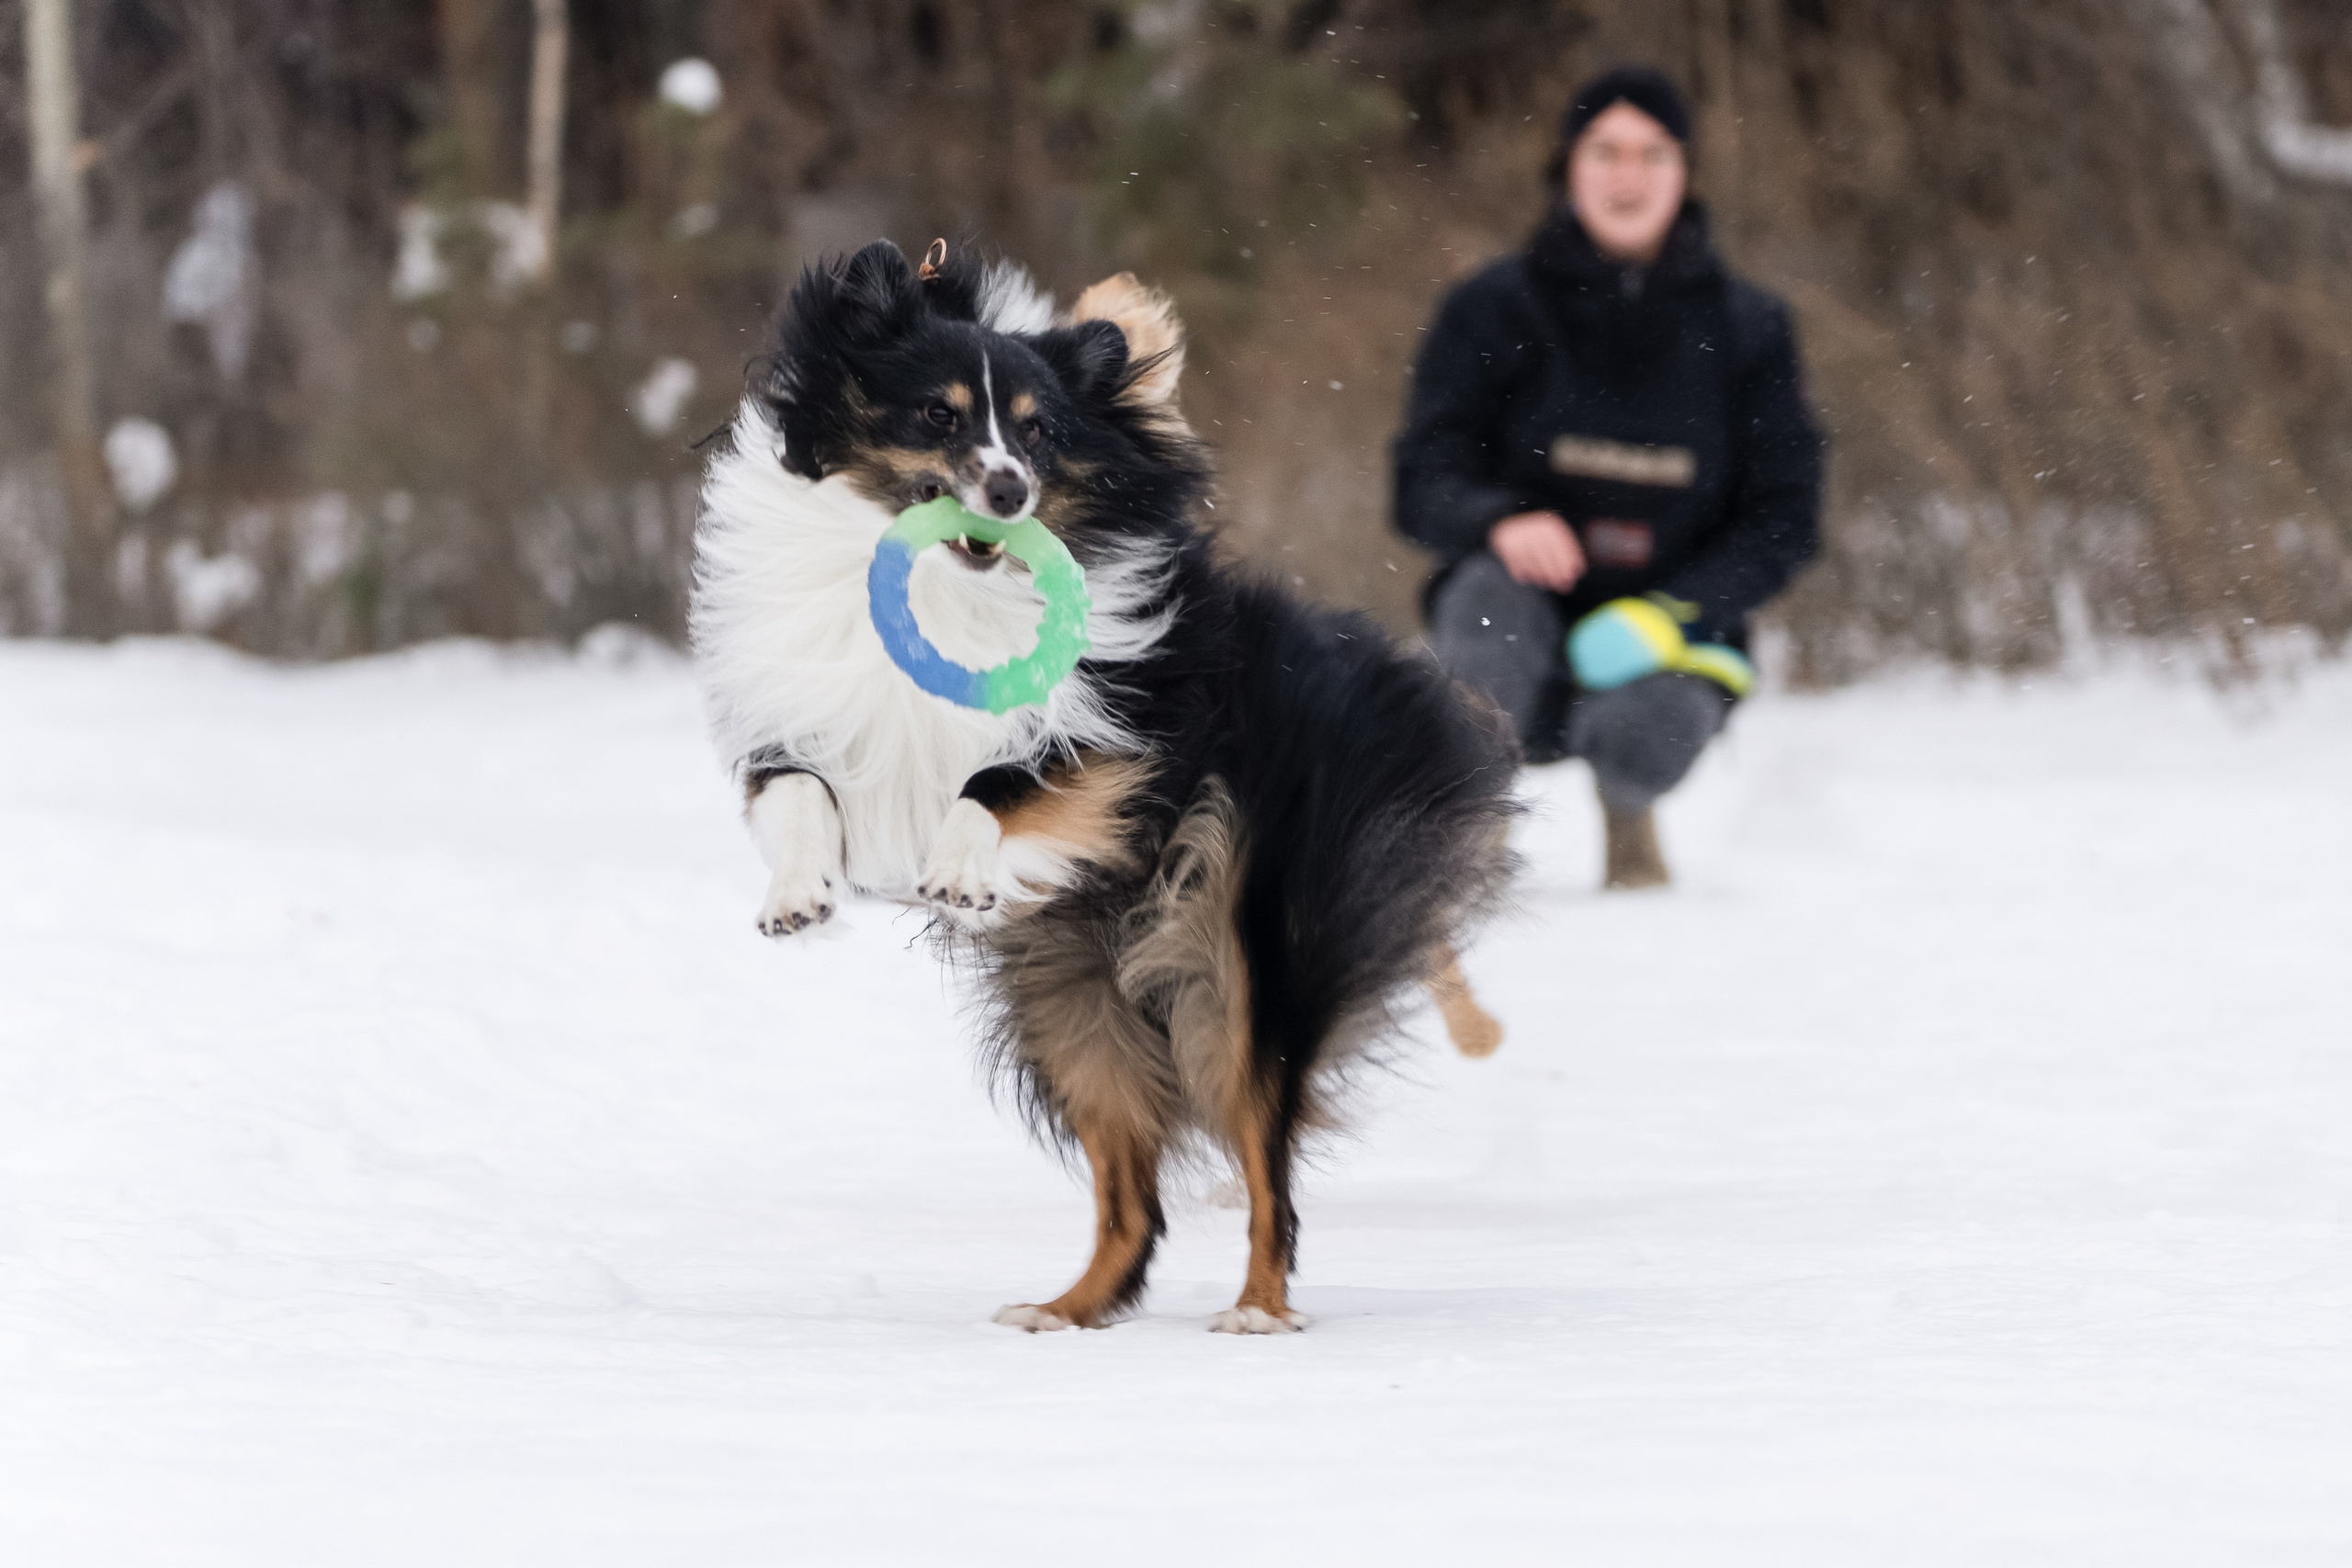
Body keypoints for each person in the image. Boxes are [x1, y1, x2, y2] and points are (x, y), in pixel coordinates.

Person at [1393, 65, 1822, 889]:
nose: (1629, 176)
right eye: (1607, 151)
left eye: (1652, 155)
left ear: (1684, 173)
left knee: (1646, 730)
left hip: (1676, 624)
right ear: (1568, 166)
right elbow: (1421, 478)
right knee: (1485, 624)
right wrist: (1498, 519)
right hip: (1521, 608)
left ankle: (1631, 814)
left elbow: (1785, 519)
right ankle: (1468, 839)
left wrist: (1673, 612)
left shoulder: (1752, 329)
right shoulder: (1489, 309)